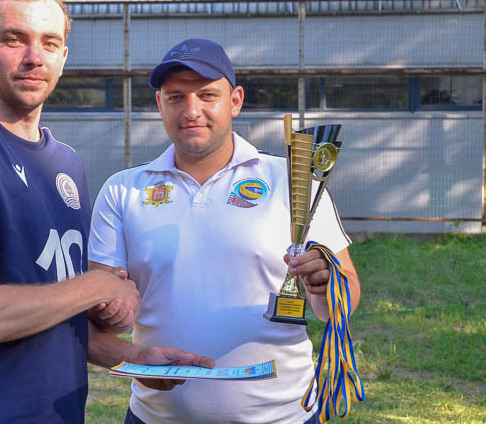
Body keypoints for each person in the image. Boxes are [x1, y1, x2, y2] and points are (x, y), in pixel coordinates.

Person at [0, 0, 212, 424]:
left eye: (49, 43)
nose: (34, 57)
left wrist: (134, 356)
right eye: (14, 40)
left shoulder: (65, 163)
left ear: (63, 57)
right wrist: (97, 286)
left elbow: (57, 319)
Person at [88, 38, 361, 424]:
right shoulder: (123, 189)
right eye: (176, 97)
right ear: (159, 105)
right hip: (157, 416)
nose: (191, 111)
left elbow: (345, 292)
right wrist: (109, 307)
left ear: (235, 101)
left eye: (207, 95)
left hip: (282, 416)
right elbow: (100, 305)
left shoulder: (292, 180)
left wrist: (325, 288)